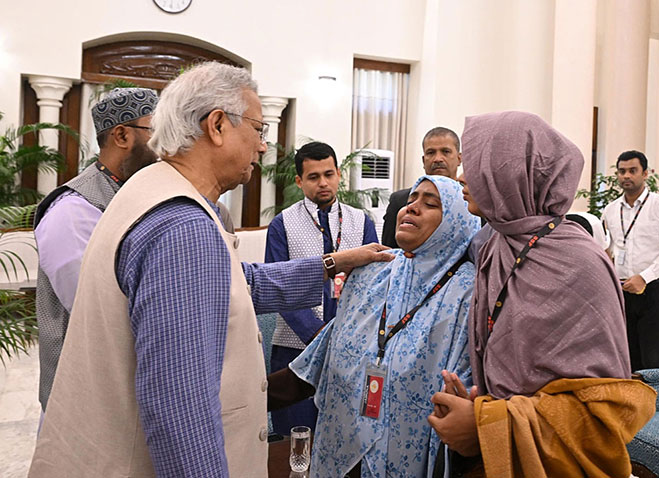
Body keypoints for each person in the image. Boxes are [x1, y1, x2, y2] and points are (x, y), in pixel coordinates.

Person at [29, 62, 392, 477]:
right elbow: (181, 413)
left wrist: (333, 262)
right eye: (258, 129)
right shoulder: (183, 227)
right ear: (217, 125)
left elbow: (238, 281)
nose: (262, 147)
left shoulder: (151, 190)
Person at [428, 111, 655, 478]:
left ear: (514, 174)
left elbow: (604, 412)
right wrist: (477, 405)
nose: (462, 177)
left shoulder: (578, 261)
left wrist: (486, 423)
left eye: (477, 164)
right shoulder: (498, 245)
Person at [268, 175, 480, 478]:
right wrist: (241, 399)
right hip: (339, 453)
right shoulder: (372, 271)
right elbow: (320, 358)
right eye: (411, 200)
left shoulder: (468, 292)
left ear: (456, 222)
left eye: (431, 204)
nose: (412, 208)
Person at [33, 87, 159, 413]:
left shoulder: (133, 194)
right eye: (157, 131)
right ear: (122, 135)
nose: (166, 144)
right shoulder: (73, 209)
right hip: (79, 401)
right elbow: (97, 310)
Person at [265, 140, 379, 435]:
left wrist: (347, 335)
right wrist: (316, 335)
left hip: (351, 347)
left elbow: (374, 285)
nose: (323, 183)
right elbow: (278, 287)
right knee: (297, 434)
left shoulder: (361, 222)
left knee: (346, 432)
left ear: (339, 174)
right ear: (299, 181)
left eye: (328, 174)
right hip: (294, 347)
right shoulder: (282, 225)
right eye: (313, 177)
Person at [602, 150, 659, 371]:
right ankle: (631, 393)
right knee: (627, 354)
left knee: (653, 356)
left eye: (632, 170)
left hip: (653, 288)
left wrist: (644, 277)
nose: (626, 176)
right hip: (622, 289)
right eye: (622, 171)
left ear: (645, 173)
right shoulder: (610, 210)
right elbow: (608, 247)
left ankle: (654, 394)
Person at [381, 127, 462, 248]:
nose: (438, 159)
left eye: (445, 151)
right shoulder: (400, 201)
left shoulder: (472, 202)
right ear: (424, 161)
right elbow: (389, 251)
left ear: (459, 158)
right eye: (431, 153)